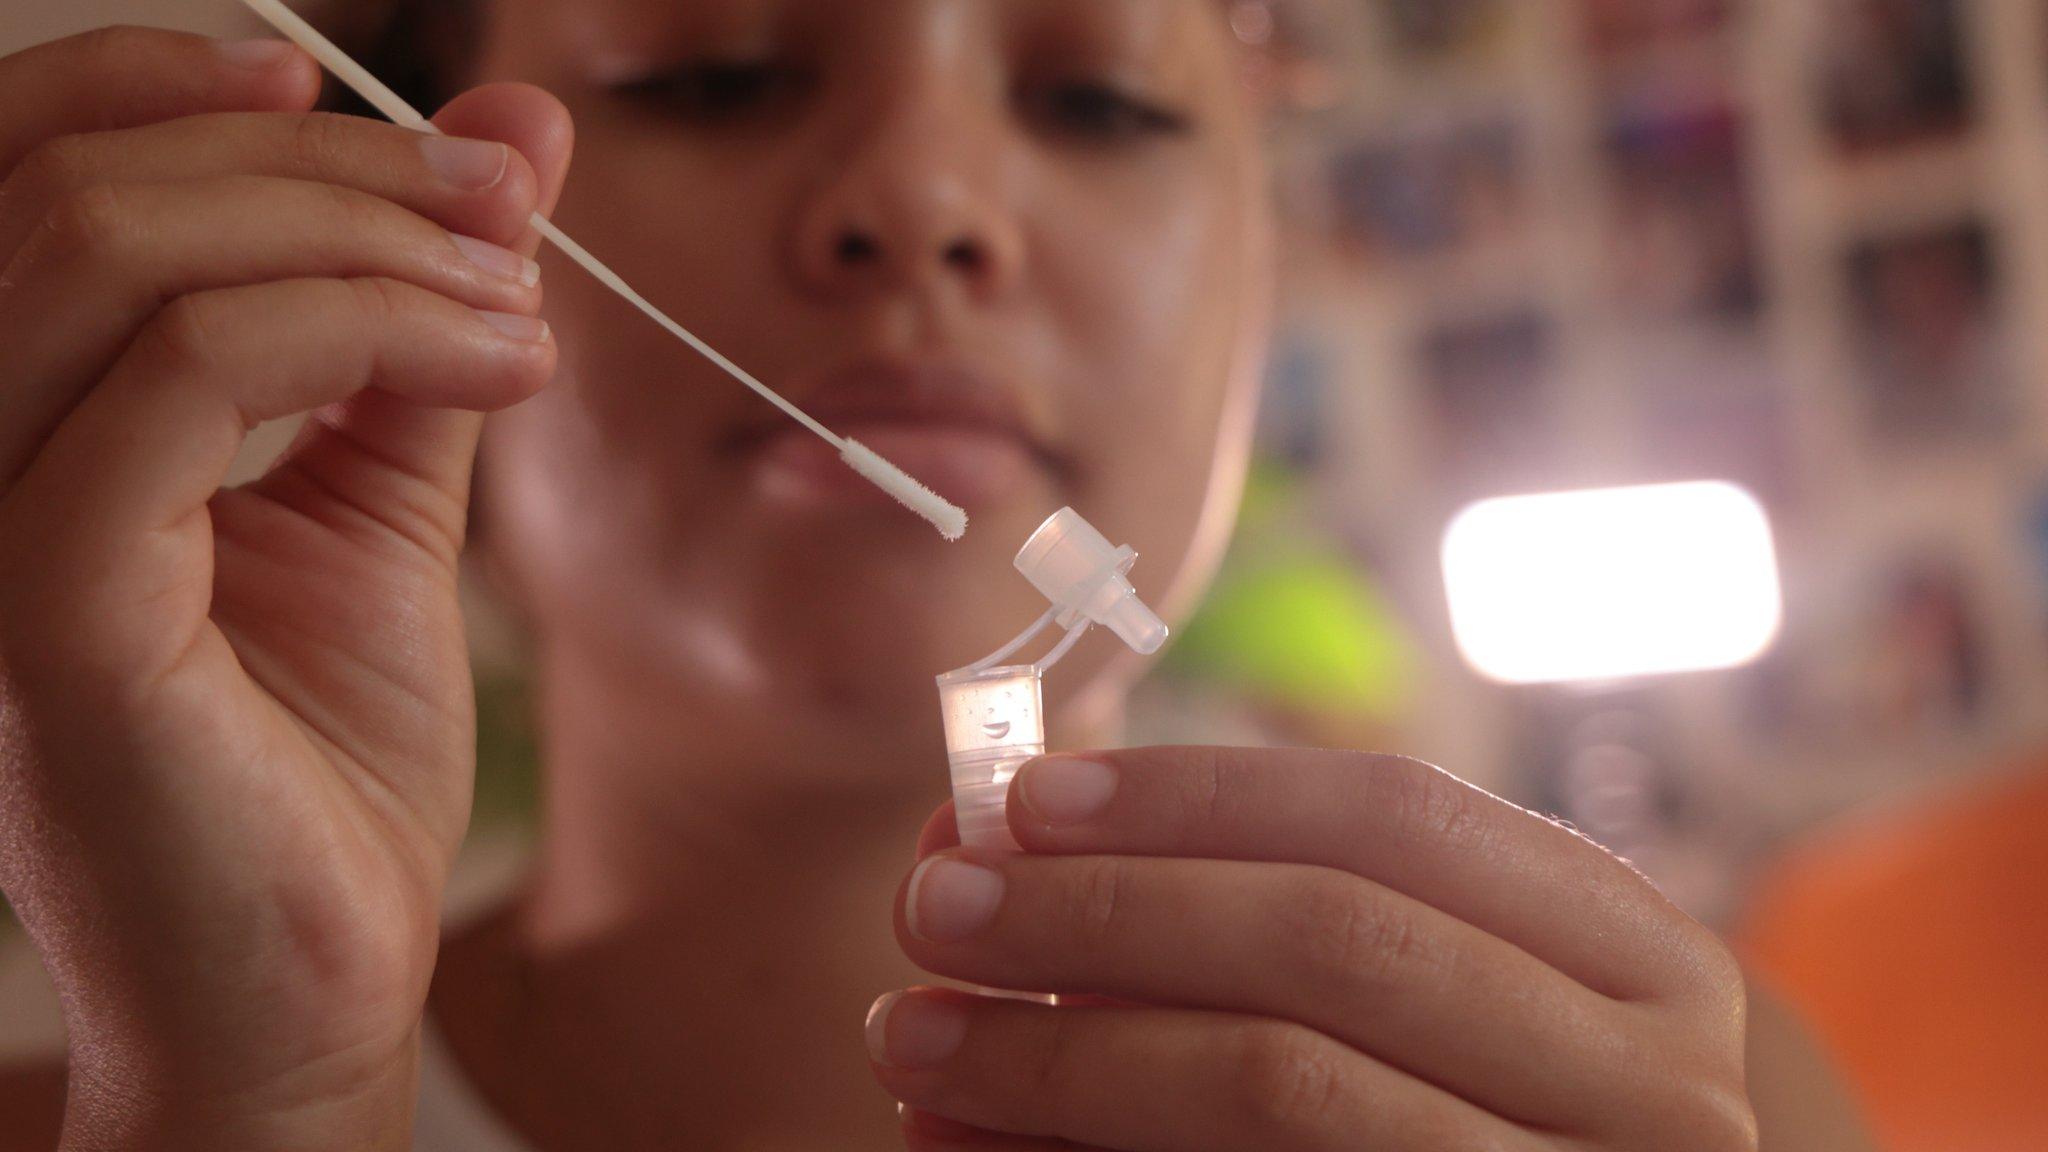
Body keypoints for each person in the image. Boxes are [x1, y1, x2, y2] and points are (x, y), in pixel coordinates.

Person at [0, 2, 1868, 1149]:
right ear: (407, 215)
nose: (924, 195)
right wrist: (255, 1116)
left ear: (1261, 270)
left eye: (1104, 101)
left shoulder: (1616, 1092)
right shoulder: (145, 1116)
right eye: (717, 71)